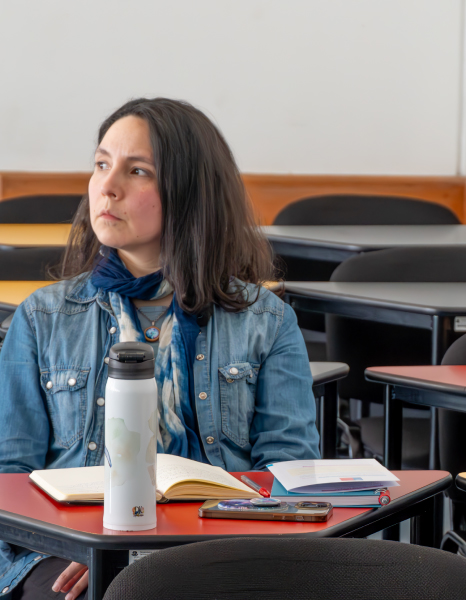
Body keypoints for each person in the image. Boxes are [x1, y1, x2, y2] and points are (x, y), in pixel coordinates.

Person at [0, 98, 320, 600]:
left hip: (217, 545)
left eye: (137, 171)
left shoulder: (266, 320)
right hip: (69, 549)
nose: (107, 186)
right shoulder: (42, 318)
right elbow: (8, 481)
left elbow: (285, 475)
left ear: (188, 192)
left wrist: (162, 547)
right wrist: (97, 545)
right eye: (102, 164)